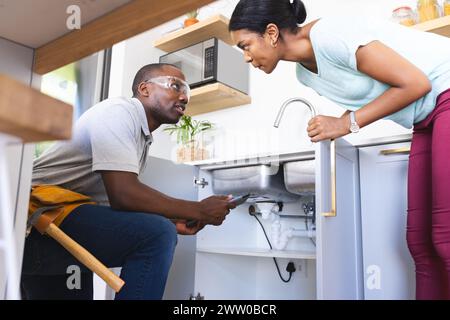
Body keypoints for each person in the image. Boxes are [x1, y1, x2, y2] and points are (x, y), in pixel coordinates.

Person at [229, 0, 450, 299]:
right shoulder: (305, 74)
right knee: (419, 243)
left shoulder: (330, 35)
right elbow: (369, 93)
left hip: (444, 93)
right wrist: (342, 122)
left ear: (270, 33)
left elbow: (415, 83)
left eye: (245, 45)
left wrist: (345, 123)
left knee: (445, 238)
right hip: (424, 118)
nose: (245, 57)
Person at [21, 63, 235, 300]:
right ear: (144, 89)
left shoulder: (141, 136)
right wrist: (198, 209)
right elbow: (123, 194)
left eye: (187, 92)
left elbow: (114, 201)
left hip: (59, 221)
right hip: (33, 217)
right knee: (156, 234)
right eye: (176, 86)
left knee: (160, 229)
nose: (184, 96)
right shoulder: (119, 112)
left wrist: (173, 219)